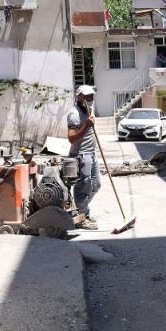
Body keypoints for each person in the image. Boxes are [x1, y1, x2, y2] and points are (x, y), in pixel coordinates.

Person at [67, 85, 101, 229]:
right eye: (87, 96)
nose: (90, 98)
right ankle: (81, 218)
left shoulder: (88, 109)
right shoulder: (74, 114)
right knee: (83, 187)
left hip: (92, 153)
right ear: (79, 96)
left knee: (96, 185)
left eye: (91, 95)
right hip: (81, 154)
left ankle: (83, 211)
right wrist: (86, 126)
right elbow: (71, 138)